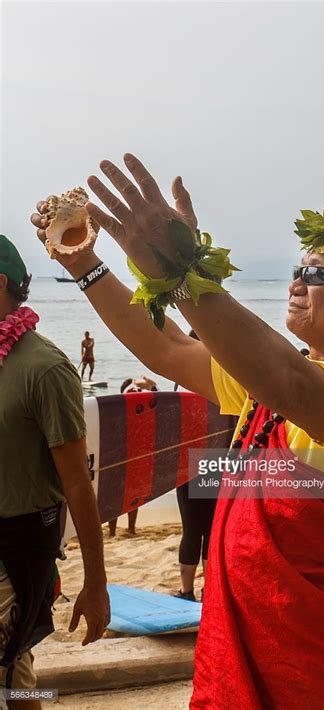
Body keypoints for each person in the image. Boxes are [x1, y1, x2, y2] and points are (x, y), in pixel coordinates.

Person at [31, 154, 324, 709]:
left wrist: (179, 268)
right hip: (236, 659)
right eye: (297, 268)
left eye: (315, 273)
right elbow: (167, 347)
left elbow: (289, 382)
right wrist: (85, 262)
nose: (296, 280)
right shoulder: (276, 383)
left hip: (319, 679)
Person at [0, 235, 110, 710]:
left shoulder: (44, 369)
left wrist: (97, 582)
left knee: (10, 657)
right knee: (17, 669)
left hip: (18, 546)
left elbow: (78, 485)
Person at [174, 330, 217, 603]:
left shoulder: (182, 383)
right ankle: (209, 591)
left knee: (191, 530)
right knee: (211, 530)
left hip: (188, 465)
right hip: (219, 463)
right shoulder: (224, 381)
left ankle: (186, 592)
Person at [107, 375, 159, 537]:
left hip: (134, 460)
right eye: (132, 389)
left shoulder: (142, 413)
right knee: (116, 498)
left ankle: (130, 529)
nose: (136, 391)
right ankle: (113, 532)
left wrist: (152, 387)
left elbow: (158, 403)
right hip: (120, 460)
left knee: (132, 496)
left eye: (138, 389)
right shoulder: (118, 412)